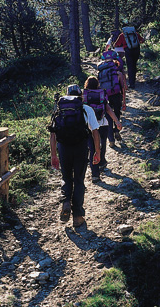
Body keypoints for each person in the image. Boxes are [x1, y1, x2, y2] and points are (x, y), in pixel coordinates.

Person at [50, 84, 101, 227]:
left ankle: (66, 201)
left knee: (66, 177)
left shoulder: (59, 110)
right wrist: (97, 151)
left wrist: (54, 155)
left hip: (63, 147)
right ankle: (77, 216)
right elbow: (95, 132)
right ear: (80, 96)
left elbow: (53, 134)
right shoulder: (86, 109)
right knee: (79, 180)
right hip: (80, 147)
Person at [83, 76, 122, 182]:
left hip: (89, 126)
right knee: (102, 144)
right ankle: (101, 162)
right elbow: (108, 108)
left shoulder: (84, 94)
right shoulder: (102, 93)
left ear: (86, 84)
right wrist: (116, 121)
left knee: (92, 149)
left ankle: (95, 174)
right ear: (97, 84)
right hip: (102, 124)